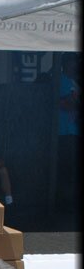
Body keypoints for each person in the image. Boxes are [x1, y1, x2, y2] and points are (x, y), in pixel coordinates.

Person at [57, 53, 80, 213]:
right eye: (73, 62)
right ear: (66, 63)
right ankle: (63, 203)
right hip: (63, 132)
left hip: (75, 131)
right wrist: (72, 100)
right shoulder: (61, 80)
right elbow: (64, 104)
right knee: (65, 168)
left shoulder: (76, 82)